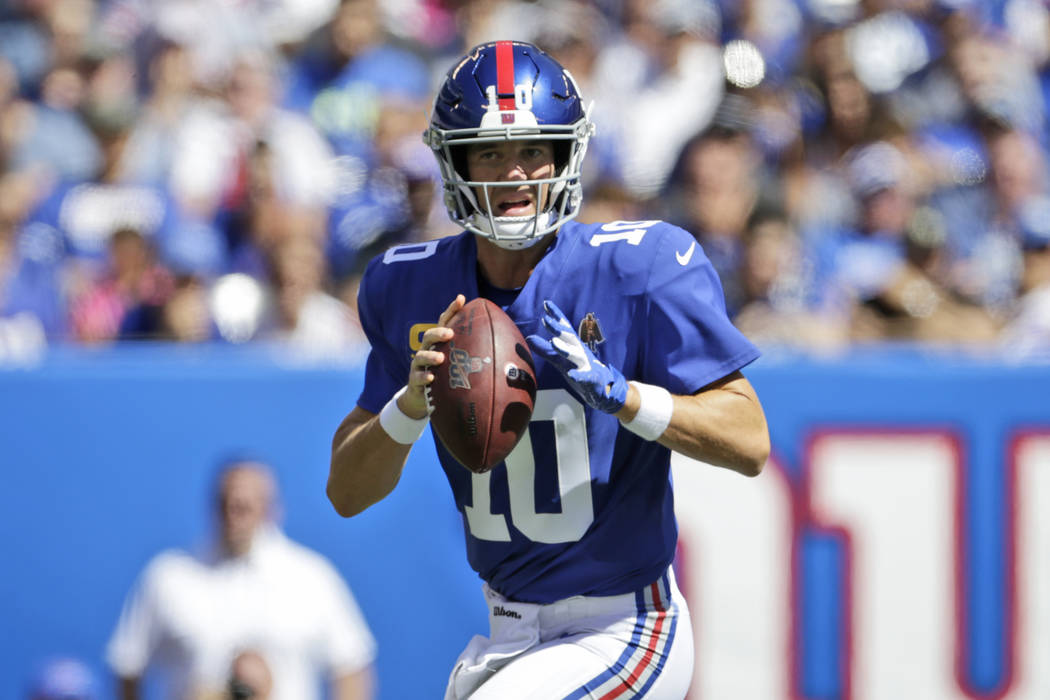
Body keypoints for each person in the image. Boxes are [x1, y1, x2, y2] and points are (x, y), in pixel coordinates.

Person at [326, 41, 770, 699]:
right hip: (508, 631)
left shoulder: (637, 267)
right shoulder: (408, 286)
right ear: (453, 162)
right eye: (491, 152)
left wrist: (628, 400)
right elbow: (346, 491)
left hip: (625, 625)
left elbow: (750, 439)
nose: (515, 174)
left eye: (534, 150)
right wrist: (410, 405)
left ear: (568, 154)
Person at [107, 458, 376, 700]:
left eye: (245, 506)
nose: (234, 517)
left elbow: (351, 664)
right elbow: (128, 662)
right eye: (227, 504)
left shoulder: (313, 578)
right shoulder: (169, 576)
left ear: (272, 508)